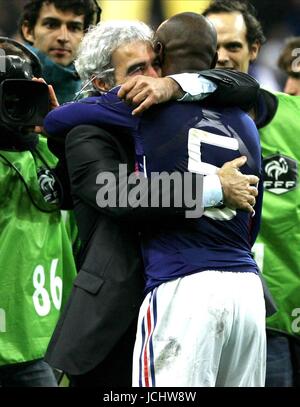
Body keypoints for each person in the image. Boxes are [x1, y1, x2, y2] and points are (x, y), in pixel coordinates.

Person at [44, 15, 264, 387]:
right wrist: (212, 189)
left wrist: (174, 87)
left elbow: (244, 84)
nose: (153, 76)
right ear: (102, 83)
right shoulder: (87, 133)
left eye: (155, 65)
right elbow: (121, 196)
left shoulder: (171, 104)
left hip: (181, 291)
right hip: (116, 319)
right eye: (138, 69)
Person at [204, 0, 300, 387]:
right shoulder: (172, 124)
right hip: (215, 313)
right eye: (213, 48)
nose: (223, 57)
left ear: (254, 50)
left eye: (234, 47)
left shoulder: (294, 118)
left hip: (286, 314)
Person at [0, 37, 76, 387]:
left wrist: (59, 131)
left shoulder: (52, 153)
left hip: (43, 345)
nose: (14, 107)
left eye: (23, 97)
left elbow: (109, 192)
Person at [19, 0, 100, 104]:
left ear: (85, 36)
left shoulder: (98, 91)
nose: (63, 37)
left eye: (74, 28)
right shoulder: (4, 74)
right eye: (51, 25)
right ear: (28, 31)